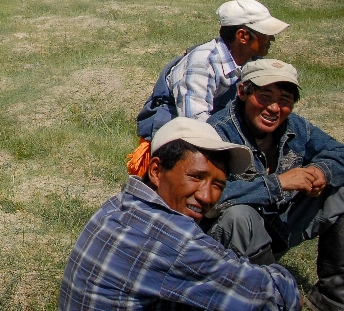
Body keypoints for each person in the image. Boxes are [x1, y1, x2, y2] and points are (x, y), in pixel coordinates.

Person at [60, 117, 299, 310]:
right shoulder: (175, 240)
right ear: (156, 170)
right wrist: (277, 276)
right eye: (196, 177)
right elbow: (272, 298)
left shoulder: (119, 204)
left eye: (218, 185)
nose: (206, 196)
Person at [209, 59, 344, 311]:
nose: (274, 107)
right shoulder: (217, 133)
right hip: (232, 240)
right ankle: (267, 297)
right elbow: (209, 196)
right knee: (240, 215)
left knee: (341, 187)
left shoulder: (297, 127)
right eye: (264, 96)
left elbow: (339, 153)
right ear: (242, 92)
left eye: (285, 99)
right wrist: (278, 183)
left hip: (279, 226)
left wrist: (320, 171)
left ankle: (333, 300)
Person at [135, 0, 289, 145]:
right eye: (266, 34)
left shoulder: (251, 61)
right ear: (242, 36)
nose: (272, 39)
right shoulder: (202, 64)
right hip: (179, 138)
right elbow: (194, 125)